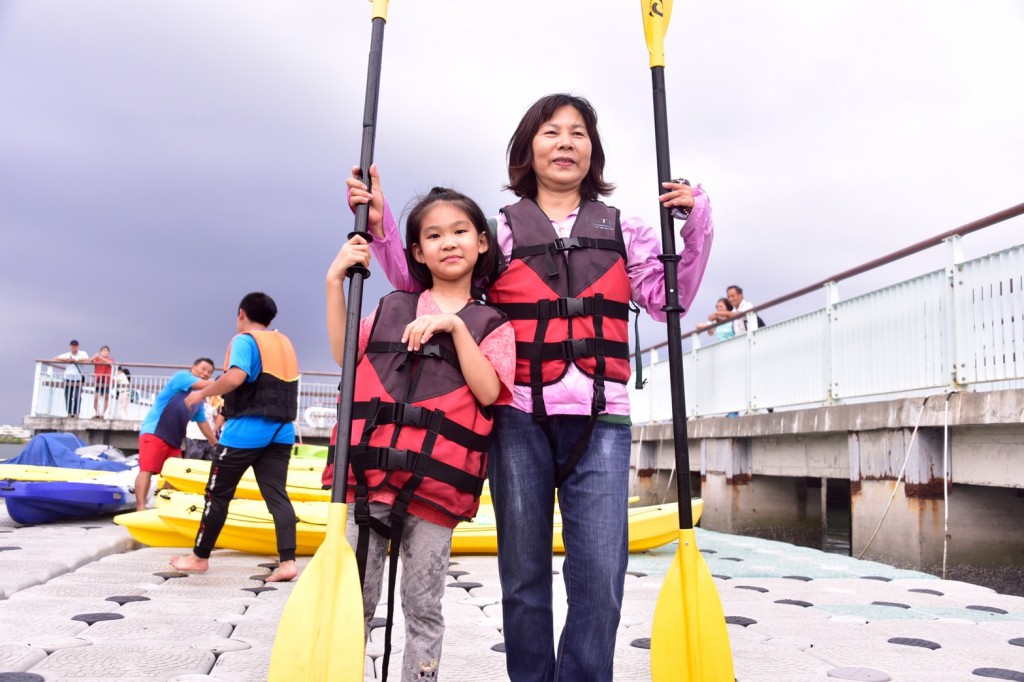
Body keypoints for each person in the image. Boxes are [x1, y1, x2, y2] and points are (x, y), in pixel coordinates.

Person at [347, 93, 713, 681]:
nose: (565, 142)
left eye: (578, 133)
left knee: (599, 577)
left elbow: (673, 297)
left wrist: (696, 221)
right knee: (523, 578)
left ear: (592, 151)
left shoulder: (628, 229)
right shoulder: (500, 234)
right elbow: (420, 279)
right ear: (528, 148)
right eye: (550, 132)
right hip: (518, 421)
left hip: (602, 422)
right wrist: (383, 224)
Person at [326, 187, 514, 681]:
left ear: (481, 243)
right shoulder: (390, 305)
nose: (448, 243)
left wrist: (454, 327)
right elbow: (345, 354)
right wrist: (333, 282)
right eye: (433, 235)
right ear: (417, 252)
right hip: (366, 485)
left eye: (459, 232)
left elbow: (490, 390)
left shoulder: (492, 323)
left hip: (434, 492)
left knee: (423, 606)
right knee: (353, 601)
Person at [171, 292, 300, 583]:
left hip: (247, 431)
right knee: (277, 495)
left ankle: (199, 558)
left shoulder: (245, 340)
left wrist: (202, 393)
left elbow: (236, 376)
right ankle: (288, 562)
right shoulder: (284, 343)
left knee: (217, 495)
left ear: (242, 313)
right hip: (282, 430)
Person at [134, 358, 219, 510]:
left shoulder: (198, 399)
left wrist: (215, 443)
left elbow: (203, 423)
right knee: (147, 470)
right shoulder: (180, 377)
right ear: (192, 368)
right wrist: (222, 382)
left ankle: (160, 504)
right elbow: (205, 384)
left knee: (176, 475)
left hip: (174, 440)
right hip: (155, 432)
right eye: (203, 369)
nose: (205, 373)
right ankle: (140, 507)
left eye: (210, 372)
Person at [53, 340, 90, 418]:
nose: (74, 348)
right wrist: (65, 360)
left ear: (78, 346)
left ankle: (76, 413)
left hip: (78, 378)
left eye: (75, 346)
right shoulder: (67, 355)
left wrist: (75, 360)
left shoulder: (82, 353)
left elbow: (87, 360)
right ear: (70, 347)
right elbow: (54, 359)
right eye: (73, 346)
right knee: (68, 396)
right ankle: (69, 413)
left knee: (77, 396)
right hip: (67, 378)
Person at [91, 345, 115, 418]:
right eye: (103, 350)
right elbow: (90, 361)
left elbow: (110, 363)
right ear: (100, 352)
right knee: (96, 398)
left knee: (106, 398)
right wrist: (95, 356)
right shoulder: (97, 359)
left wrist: (100, 357)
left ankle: (103, 414)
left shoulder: (111, 359)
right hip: (99, 380)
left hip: (107, 381)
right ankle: (97, 413)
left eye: (106, 351)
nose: (105, 352)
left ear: (108, 352)